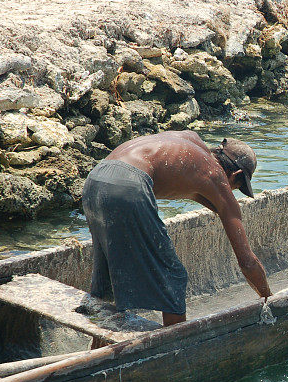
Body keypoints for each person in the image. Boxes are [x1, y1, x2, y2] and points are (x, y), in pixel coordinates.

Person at [81, 131, 272, 326]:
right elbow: (247, 262)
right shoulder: (216, 175)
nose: (231, 192)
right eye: (237, 188)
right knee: (174, 277)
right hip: (129, 185)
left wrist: (226, 209)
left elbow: (200, 194)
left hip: (95, 179)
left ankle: (99, 340)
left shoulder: (191, 144)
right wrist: (269, 299)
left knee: (108, 272)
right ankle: (175, 347)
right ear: (236, 175)